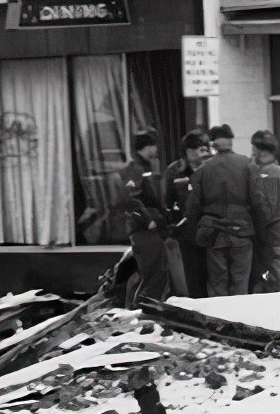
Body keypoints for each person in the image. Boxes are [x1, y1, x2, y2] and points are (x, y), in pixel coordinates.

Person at [184, 123, 263, 297]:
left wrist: (198, 232)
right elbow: (258, 202)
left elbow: (192, 209)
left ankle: (218, 322)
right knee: (241, 283)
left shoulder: (202, 170)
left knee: (217, 285)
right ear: (231, 142)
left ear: (213, 144)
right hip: (242, 233)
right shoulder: (248, 165)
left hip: (214, 235)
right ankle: (238, 321)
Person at [113, 130, 170, 305]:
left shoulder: (144, 168)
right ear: (147, 147)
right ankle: (144, 313)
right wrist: (149, 220)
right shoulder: (136, 169)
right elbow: (132, 197)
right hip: (145, 230)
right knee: (154, 274)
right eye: (154, 145)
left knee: (154, 274)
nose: (156, 149)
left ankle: (141, 309)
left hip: (146, 229)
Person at [162, 129, 213, 299]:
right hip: (187, 232)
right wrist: (173, 223)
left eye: (198, 148)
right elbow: (167, 201)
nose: (193, 153)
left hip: (210, 230)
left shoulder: (212, 167)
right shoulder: (175, 170)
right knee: (192, 276)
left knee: (212, 275)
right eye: (190, 149)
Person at [250, 129, 280, 291]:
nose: (252, 152)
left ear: (260, 150)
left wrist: (257, 233)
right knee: (274, 275)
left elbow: (265, 211)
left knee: (271, 279)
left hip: (270, 237)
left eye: (254, 148)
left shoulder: (267, 174)